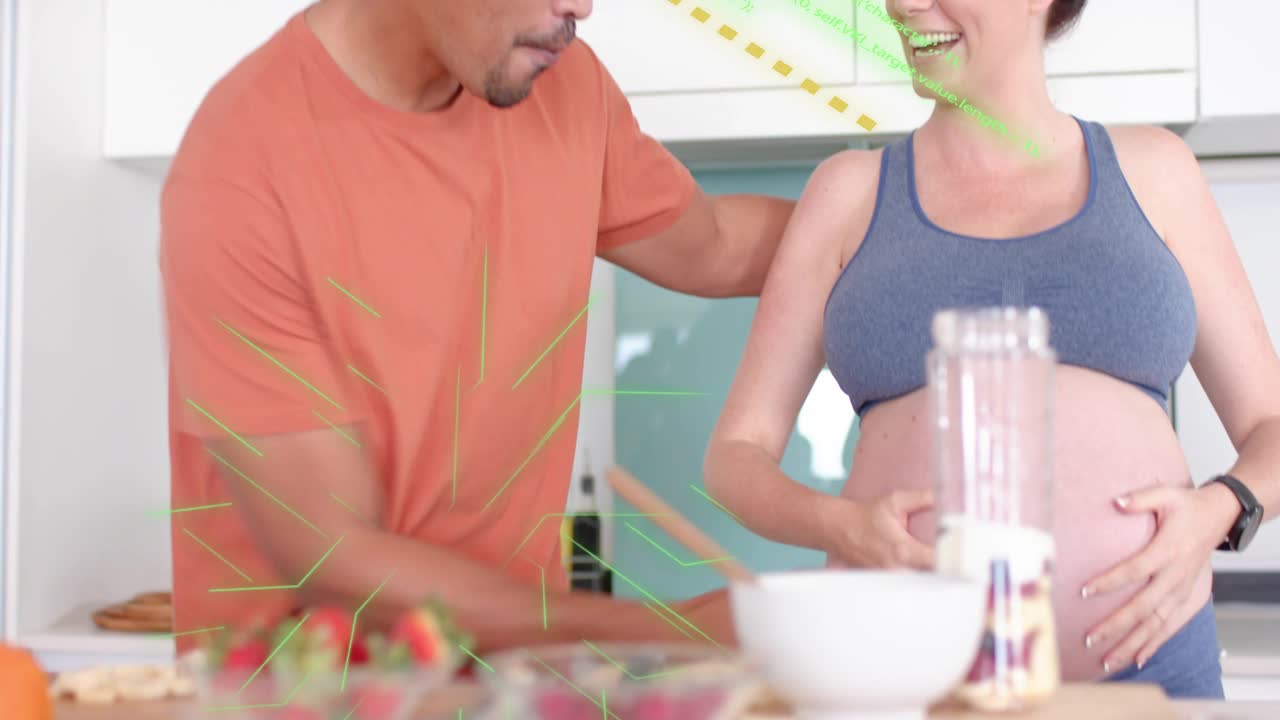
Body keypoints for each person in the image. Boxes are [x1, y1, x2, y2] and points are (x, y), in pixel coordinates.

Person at [158, 0, 794, 656]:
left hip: (512, 686)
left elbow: (714, 243)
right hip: (303, 697)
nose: (582, 8)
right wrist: (672, 631)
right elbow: (336, 563)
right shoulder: (240, 167)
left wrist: (891, 215)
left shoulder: (561, 86)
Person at [704, 0, 1280, 700]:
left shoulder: (1157, 171)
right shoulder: (847, 194)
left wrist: (1222, 509)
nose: (903, 5)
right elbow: (735, 456)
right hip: (900, 676)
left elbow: (1269, 425)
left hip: (1150, 669)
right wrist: (843, 527)